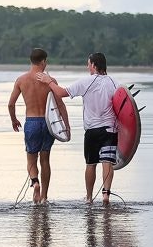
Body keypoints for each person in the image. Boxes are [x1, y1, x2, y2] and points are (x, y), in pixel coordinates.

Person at [37, 52, 118, 204]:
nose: (87, 67)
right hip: (110, 129)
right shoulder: (114, 82)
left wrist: (49, 81)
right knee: (107, 162)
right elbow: (122, 105)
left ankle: (88, 197)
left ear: (94, 65)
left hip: (93, 130)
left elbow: (61, 93)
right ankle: (106, 194)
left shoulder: (87, 81)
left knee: (91, 164)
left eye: (88, 64)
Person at [8, 47, 58, 204]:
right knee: (45, 160)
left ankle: (35, 182)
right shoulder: (50, 81)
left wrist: (14, 120)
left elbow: (11, 104)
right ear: (43, 61)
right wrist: (64, 125)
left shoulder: (21, 80)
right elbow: (58, 104)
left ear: (31, 61)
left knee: (31, 159)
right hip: (47, 123)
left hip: (31, 122)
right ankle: (44, 197)